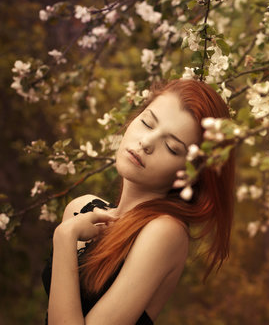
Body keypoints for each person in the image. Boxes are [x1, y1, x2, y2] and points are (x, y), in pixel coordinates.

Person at [42, 79, 235, 324]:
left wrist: (64, 237)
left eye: (171, 147)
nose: (146, 143)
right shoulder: (81, 209)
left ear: (190, 173)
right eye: (146, 123)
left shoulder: (165, 231)